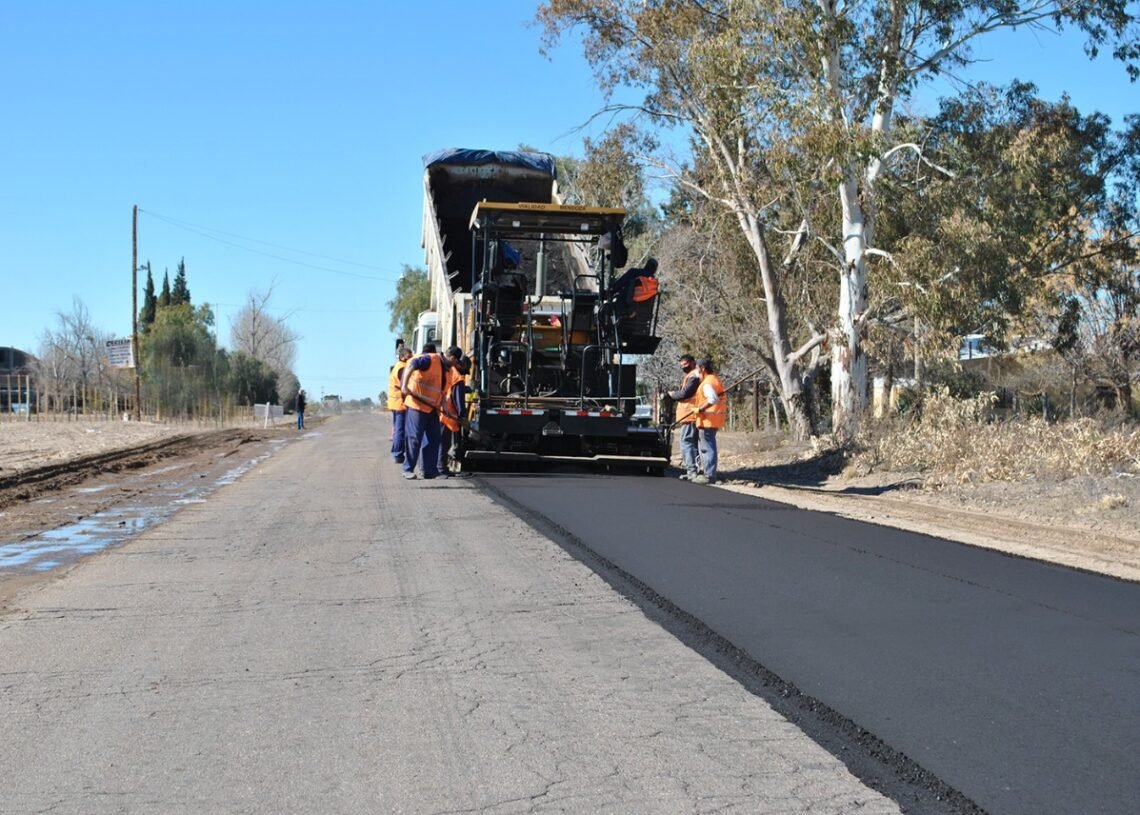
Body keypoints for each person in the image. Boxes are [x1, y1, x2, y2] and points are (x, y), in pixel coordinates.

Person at [400, 342, 447, 480]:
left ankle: (429, 470)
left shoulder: (442, 367)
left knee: (434, 439)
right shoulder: (429, 358)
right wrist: (404, 386)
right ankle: (408, 469)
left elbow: (441, 389)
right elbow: (412, 364)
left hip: (432, 408)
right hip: (417, 405)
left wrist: (443, 407)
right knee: (414, 438)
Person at [691, 358, 726, 485]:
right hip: (712, 419)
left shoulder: (707, 382)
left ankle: (709, 475)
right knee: (708, 445)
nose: (696, 371)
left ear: (702, 368)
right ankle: (708, 472)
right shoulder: (714, 379)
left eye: (697, 368)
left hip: (707, 420)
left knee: (707, 447)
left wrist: (699, 409)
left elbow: (712, 399)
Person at [437, 346, 470, 477]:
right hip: (449, 414)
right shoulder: (457, 378)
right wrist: (462, 416)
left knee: (441, 441)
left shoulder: (449, 371)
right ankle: (441, 468)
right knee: (443, 442)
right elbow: (458, 399)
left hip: (443, 411)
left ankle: (441, 467)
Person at [669, 354, 702, 480]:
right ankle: (695, 470)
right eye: (682, 365)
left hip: (690, 415)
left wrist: (673, 395)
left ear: (693, 362)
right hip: (692, 415)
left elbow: (685, 393)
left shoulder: (694, 376)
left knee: (687, 443)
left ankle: (691, 471)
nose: (684, 367)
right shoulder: (694, 375)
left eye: (686, 364)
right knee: (694, 444)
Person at [388, 345, 413, 464]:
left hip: (396, 402)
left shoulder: (398, 366)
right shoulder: (402, 368)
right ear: (402, 356)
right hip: (400, 403)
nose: (411, 358)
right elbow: (404, 385)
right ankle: (398, 454)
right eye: (409, 356)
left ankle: (396, 451)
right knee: (400, 430)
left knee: (398, 430)